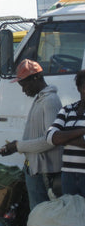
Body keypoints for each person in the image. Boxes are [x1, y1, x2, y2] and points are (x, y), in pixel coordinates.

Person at [0, 59, 62, 210]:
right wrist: (15, 146)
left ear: (36, 78)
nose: (23, 90)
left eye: (25, 85)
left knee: (43, 214)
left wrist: (19, 146)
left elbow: (50, 140)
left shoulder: (50, 101)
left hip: (45, 171)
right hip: (35, 168)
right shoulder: (41, 99)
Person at [46, 69, 85, 198]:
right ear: (79, 88)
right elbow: (50, 137)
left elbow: (57, 138)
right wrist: (82, 131)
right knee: (70, 214)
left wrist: (64, 138)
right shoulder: (67, 110)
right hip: (68, 176)